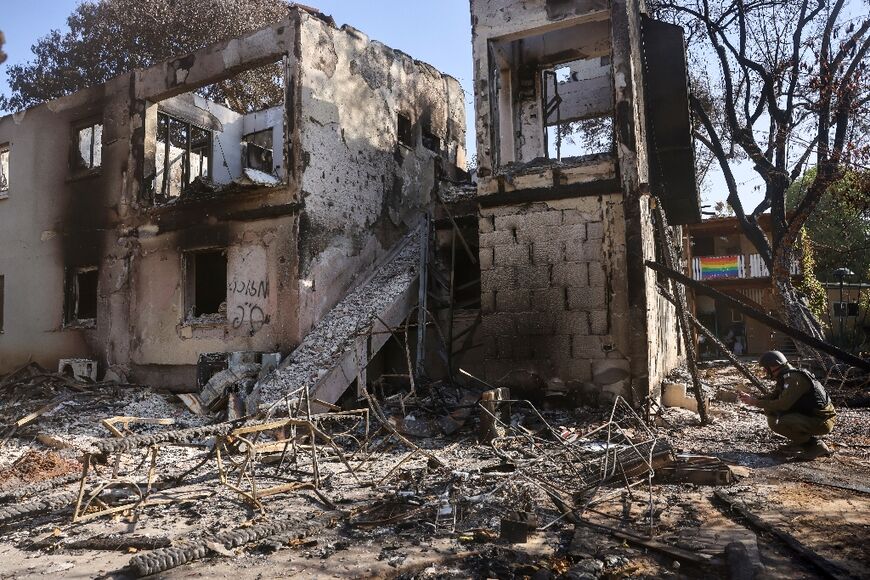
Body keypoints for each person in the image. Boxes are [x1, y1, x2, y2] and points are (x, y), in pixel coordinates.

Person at [738, 350, 836, 458]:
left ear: (773, 366)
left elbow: (782, 405)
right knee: (772, 413)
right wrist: (753, 399)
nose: (766, 371)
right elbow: (774, 396)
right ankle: (801, 442)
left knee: (778, 421)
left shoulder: (794, 379)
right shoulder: (786, 377)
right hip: (815, 416)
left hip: (823, 420)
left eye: (766, 368)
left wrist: (755, 402)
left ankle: (816, 445)